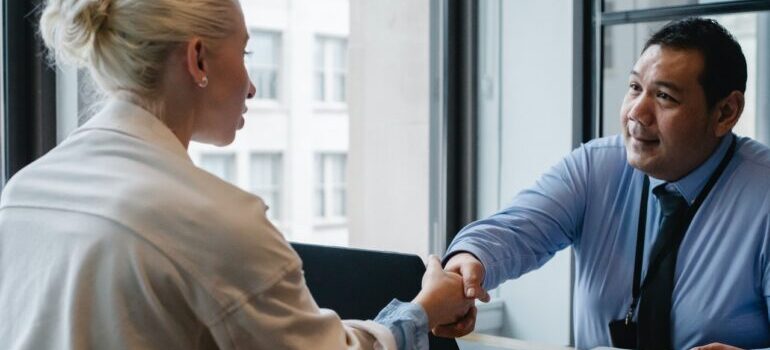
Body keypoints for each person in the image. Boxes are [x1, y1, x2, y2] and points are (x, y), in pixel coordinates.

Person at [0, 0, 473, 349]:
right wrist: (424, 311)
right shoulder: (216, 220)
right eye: (245, 54)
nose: (252, 86)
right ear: (198, 58)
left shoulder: (22, 193)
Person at [439, 17, 770, 350]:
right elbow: (513, 230)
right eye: (635, 88)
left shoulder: (764, 194)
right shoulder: (597, 166)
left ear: (726, 112)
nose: (636, 113)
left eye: (665, 97)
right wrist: (470, 262)